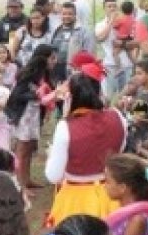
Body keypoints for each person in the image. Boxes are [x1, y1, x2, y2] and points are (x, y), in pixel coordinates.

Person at [44, 72, 127, 226]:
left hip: (77, 200)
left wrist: (51, 155)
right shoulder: (118, 117)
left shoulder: (65, 127)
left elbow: (53, 176)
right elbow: (119, 151)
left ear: (71, 98)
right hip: (112, 196)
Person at [6, 48, 59, 193]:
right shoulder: (27, 75)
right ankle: (19, 185)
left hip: (34, 116)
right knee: (22, 150)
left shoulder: (44, 75)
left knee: (29, 148)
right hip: (24, 116)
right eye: (52, 58)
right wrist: (36, 96)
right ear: (43, 58)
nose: (55, 61)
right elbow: (16, 95)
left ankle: (27, 180)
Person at [95, 0, 132, 100]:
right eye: (109, 6)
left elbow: (134, 41)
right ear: (104, 9)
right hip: (110, 65)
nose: (112, 8)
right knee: (108, 95)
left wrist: (123, 44)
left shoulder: (125, 21)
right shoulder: (100, 24)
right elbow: (100, 38)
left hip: (127, 64)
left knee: (126, 96)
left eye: (114, 6)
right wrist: (111, 22)